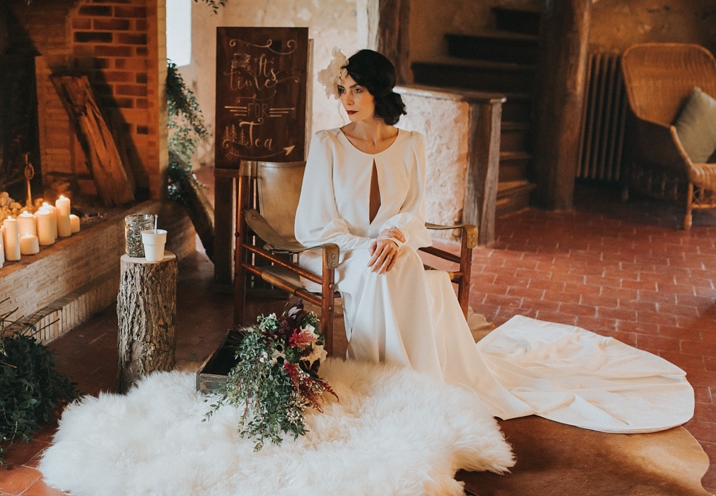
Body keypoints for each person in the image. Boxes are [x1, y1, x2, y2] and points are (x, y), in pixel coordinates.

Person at [294, 48, 694, 434]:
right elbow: (315, 223)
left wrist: (395, 235)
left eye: (357, 90)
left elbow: (414, 211)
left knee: (404, 263)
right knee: (380, 269)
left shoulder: (411, 144)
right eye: (343, 89)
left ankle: (415, 382)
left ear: (378, 92)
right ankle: (379, 382)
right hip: (340, 253)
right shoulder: (328, 143)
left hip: (394, 247)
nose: (347, 100)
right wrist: (369, 246)